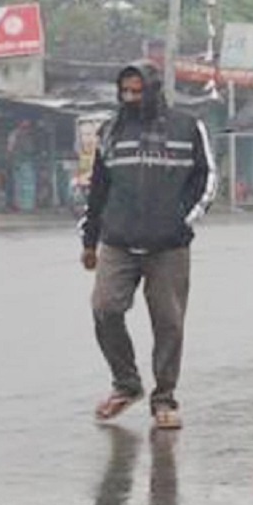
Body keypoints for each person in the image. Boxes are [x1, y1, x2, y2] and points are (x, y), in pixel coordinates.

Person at [79, 61, 217, 430]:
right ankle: (126, 384)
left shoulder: (187, 127)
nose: (130, 98)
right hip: (119, 241)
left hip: (169, 246)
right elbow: (98, 189)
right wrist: (89, 240)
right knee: (105, 308)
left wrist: (182, 220)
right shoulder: (111, 131)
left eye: (137, 91)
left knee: (168, 323)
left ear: (153, 90)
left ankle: (164, 399)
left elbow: (206, 180)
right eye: (125, 91)